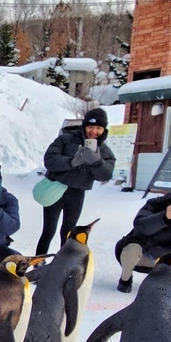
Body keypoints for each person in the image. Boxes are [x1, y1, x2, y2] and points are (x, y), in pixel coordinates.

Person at [35, 108, 115, 255]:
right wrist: (72, 161)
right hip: (56, 189)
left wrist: (97, 162)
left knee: (68, 232)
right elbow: (50, 160)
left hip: (77, 193)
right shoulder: (66, 139)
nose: (94, 131)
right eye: (91, 127)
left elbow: (107, 174)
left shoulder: (103, 150)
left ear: (104, 129)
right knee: (48, 230)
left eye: (98, 128)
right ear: (84, 126)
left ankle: (62, 265)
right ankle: (38, 262)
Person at [114, 177, 171, 293]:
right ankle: (125, 278)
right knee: (131, 250)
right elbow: (140, 225)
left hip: (167, 257)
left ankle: (166, 279)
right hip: (143, 250)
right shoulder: (155, 204)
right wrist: (165, 216)